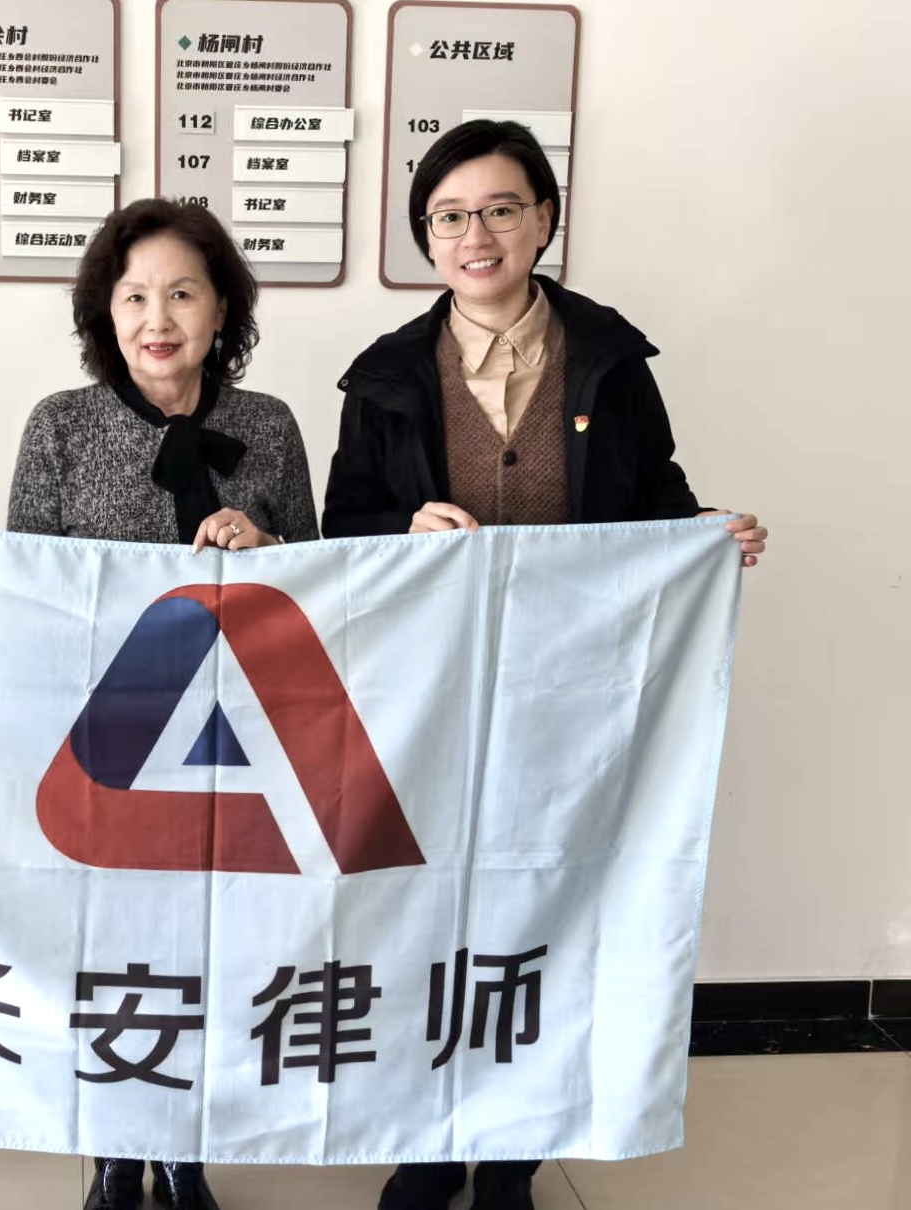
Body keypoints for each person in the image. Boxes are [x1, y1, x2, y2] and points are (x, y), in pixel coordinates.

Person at [322, 120, 767, 1210]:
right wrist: (402, 531)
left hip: (576, 690)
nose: (475, 235)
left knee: (548, 908)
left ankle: (516, 1150)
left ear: (544, 221)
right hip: (429, 696)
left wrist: (704, 534)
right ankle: (431, 1144)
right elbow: (343, 530)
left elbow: (653, 497)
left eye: (500, 210)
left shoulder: (610, 361)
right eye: (449, 217)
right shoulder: (385, 377)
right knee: (428, 915)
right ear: (426, 238)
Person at [8, 197, 319, 1210]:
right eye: (135, 295)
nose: (158, 317)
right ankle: (114, 1149)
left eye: (182, 293)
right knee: (109, 949)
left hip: (232, 740)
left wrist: (267, 551)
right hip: (102, 737)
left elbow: (321, 588)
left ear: (222, 308)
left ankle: (185, 1149)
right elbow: (22, 590)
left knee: (211, 947)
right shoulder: (59, 425)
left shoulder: (268, 426)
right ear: (105, 312)